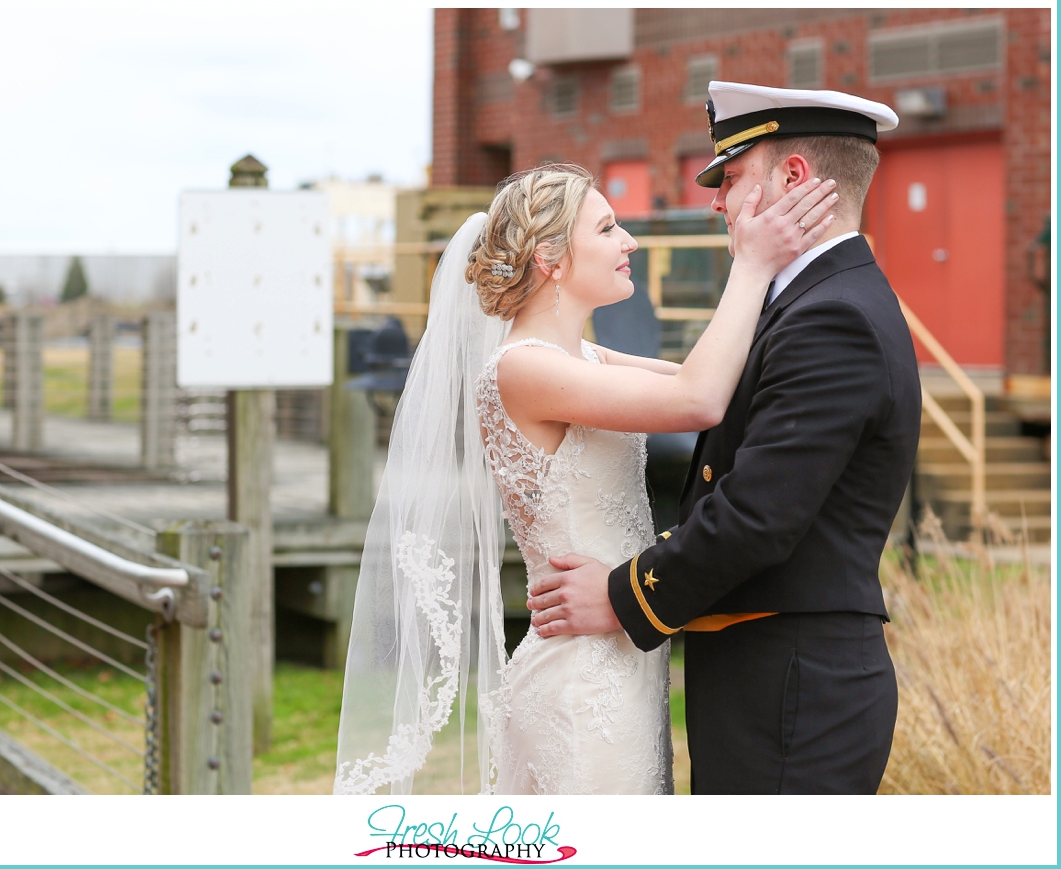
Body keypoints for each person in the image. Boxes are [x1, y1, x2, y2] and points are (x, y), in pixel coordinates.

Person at [334, 155, 837, 799]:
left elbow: (721, 383)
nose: (628, 242)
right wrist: (752, 263)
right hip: (578, 681)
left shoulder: (588, 359)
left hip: (623, 652)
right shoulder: (522, 369)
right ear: (550, 257)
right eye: (606, 229)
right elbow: (697, 400)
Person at [527, 82, 921, 796]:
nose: (715, 201)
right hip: (773, 675)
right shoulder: (813, 303)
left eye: (731, 178)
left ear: (793, 178)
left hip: (793, 686)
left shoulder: (833, 318)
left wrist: (622, 597)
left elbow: (756, 516)